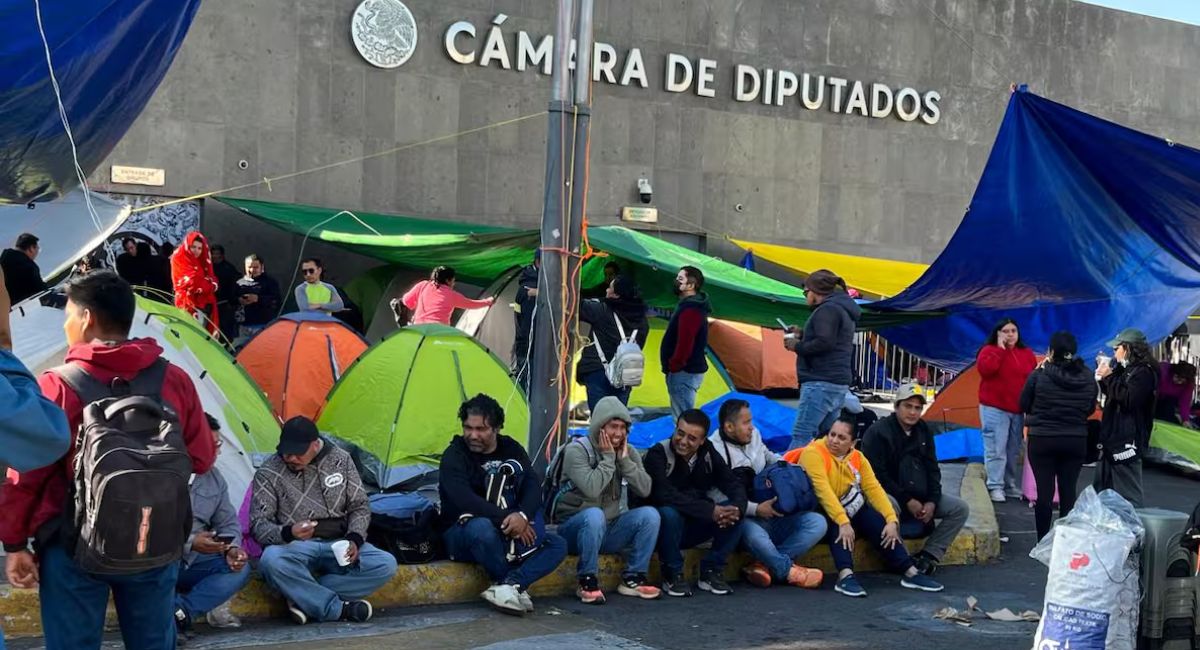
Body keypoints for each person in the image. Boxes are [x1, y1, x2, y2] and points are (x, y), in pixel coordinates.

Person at [0, 270, 217, 650]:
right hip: (154, 539)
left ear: (86, 318)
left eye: (68, 315)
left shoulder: (61, 383)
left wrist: (15, 543)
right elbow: (200, 458)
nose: (66, 324)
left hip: (73, 546)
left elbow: (29, 473)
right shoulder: (174, 378)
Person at [251, 416, 397, 625]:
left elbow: (360, 506)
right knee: (271, 560)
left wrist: (355, 539)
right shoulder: (268, 472)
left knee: (385, 564)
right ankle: (336, 609)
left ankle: (303, 595)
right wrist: (288, 532)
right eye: (285, 451)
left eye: (297, 452)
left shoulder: (342, 459)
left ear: (314, 444)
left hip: (339, 542)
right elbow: (259, 525)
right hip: (296, 546)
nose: (290, 457)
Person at [439, 394, 567, 614]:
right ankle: (511, 584)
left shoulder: (511, 449)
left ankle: (510, 584)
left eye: (481, 429)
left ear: (496, 428)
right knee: (481, 528)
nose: (472, 435)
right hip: (463, 532)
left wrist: (524, 516)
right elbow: (464, 499)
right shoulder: (454, 455)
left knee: (557, 545)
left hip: (508, 534)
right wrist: (508, 519)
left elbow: (532, 485)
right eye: (468, 428)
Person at [795, 417, 943, 598]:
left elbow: (873, 488)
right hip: (817, 508)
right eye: (832, 434)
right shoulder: (814, 453)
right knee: (838, 523)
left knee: (875, 519)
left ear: (853, 442)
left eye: (841, 438)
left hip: (847, 504)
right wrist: (843, 521)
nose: (834, 440)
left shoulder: (857, 457)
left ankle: (909, 571)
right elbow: (823, 492)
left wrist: (891, 519)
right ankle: (845, 575)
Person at [549, 396, 662, 603]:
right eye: (613, 427)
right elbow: (592, 489)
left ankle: (633, 579)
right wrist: (609, 459)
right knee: (594, 515)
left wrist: (625, 462)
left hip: (609, 530)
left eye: (623, 427)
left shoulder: (628, 451)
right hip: (574, 531)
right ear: (600, 426)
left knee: (650, 515)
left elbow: (645, 489)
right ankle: (587, 580)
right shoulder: (577, 450)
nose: (618, 433)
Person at [709, 399, 826, 589]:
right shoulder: (714, 451)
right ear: (729, 427)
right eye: (746, 423)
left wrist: (788, 470)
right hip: (744, 517)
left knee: (817, 523)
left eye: (751, 421)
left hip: (774, 512)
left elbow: (767, 454)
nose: (751, 427)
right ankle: (787, 571)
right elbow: (718, 500)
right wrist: (756, 510)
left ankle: (763, 565)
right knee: (754, 535)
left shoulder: (753, 435)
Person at [861, 383, 970, 575]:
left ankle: (928, 556)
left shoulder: (923, 430)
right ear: (897, 406)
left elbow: (932, 468)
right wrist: (907, 500)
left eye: (918, 408)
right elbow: (877, 476)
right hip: (889, 492)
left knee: (959, 508)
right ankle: (901, 559)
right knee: (890, 507)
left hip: (919, 494)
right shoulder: (878, 432)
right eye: (908, 406)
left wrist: (932, 501)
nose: (912, 412)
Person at [639, 409, 746, 597]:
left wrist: (737, 508)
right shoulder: (659, 453)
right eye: (680, 433)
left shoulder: (708, 453)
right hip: (664, 531)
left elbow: (732, 483)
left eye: (691, 438)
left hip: (694, 524)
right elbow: (664, 494)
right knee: (668, 513)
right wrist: (709, 510)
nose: (683, 441)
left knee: (734, 512)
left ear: (702, 440)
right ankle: (671, 573)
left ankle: (711, 570)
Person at [175, 414, 251, 639]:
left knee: (238, 569)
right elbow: (147, 529)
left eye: (218, 445)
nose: (217, 451)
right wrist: (191, 542)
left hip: (194, 561)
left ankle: (181, 613)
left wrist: (232, 549)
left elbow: (228, 523)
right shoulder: (160, 475)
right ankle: (171, 616)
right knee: (152, 572)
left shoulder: (214, 478)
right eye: (212, 445)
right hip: (160, 558)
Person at [1019, 332, 1097, 540]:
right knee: (1068, 491)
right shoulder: (1088, 376)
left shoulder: (1038, 375)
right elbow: (1090, 408)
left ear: (1051, 351)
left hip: (1043, 439)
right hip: (1075, 439)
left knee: (1044, 493)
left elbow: (1023, 404)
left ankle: (1042, 541)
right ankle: (1065, 541)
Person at [785, 270, 863, 449]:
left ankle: (787, 474)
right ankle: (829, 473)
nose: (806, 296)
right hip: (837, 382)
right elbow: (831, 339)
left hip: (820, 382)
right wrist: (803, 334)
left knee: (802, 434)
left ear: (816, 291)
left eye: (806, 292)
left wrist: (796, 345)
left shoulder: (827, 309)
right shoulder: (843, 308)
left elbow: (824, 342)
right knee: (828, 437)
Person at [1094, 328, 1157, 507]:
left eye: (1116, 348)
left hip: (1128, 439)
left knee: (1129, 495)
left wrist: (1110, 377)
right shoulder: (1126, 369)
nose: (1114, 352)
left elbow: (1129, 399)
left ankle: (1133, 532)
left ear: (1127, 348)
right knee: (1103, 491)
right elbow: (1116, 394)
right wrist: (1104, 379)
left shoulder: (1144, 372)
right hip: (1113, 438)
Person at [976, 318, 1037, 502]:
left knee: (1013, 449)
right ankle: (995, 485)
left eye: (1013, 331)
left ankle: (1009, 484)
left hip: (1018, 410)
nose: (1010, 334)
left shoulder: (1026, 353)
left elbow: (1032, 379)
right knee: (996, 448)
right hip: (995, 408)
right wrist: (1000, 349)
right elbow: (986, 370)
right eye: (1006, 331)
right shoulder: (988, 351)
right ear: (998, 333)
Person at [576, 275, 649, 411]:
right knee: (618, 418)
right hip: (626, 373)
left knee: (600, 417)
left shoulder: (602, 311)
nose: (606, 290)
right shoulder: (643, 321)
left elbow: (575, 304)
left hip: (598, 370)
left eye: (610, 287)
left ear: (616, 294)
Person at [662, 266, 711, 418]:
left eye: (680, 279)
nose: (676, 281)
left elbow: (685, 341)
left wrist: (675, 365)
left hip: (684, 372)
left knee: (683, 418)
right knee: (682, 415)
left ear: (691, 285)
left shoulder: (691, 310)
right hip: (683, 371)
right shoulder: (688, 306)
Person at [400, 266, 493, 326]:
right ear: (448, 281)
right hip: (440, 331)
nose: (454, 283)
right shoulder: (452, 295)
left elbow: (405, 301)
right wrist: (488, 301)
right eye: (453, 281)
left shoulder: (423, 285)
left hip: (419, 329)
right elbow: (471, 304)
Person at [171, 232, 220, 336]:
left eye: (199, 248)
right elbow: (193, 282)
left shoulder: (202, 262)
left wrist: (207, 283)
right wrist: (209, 284)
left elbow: (212, 280)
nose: (196, 251)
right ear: (187, 246)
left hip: (204, 308)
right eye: (193, 247)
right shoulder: (179, 258)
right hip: (186, 305)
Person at [234, 254, 282, 346]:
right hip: (243, 326)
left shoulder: (270, 282)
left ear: (262, 267)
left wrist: (258, 299)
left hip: (263, 325)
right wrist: (239, 300)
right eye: (249, 267)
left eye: (255, 267)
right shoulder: (239, 283)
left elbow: (277, 301)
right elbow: (231, 299)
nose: (252, 270)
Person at [512, 252, 540, 395]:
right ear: (538, 262)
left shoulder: (529, 285)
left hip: (525, 346)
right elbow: (529, 324)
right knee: (529, 390)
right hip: (531, 348)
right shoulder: (529, 288)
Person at [0, 232, 46, 304]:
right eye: (38, 249)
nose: (37, 253)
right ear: (31, 248)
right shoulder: (29, 266)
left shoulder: (3, 261)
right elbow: (43, 292)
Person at [210, 245, 241, 344]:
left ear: (222, 255)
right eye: (213, 253)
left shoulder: (229, 269)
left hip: (224, 305)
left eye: (217, 254)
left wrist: (232, 302)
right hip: (209, 306)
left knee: (225, 333)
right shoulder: (208, 267)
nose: (215, 256)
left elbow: (234, 286)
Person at [1156, 361, 1197, 426]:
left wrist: (1185, 420)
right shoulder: (1163, 371)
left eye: (1182, 380)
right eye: (1177, 377)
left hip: (1169, 402)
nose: (1178, 381)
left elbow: (1185, 402)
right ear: (1173, 373)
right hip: (1153, 395)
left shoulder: (1188, 385)